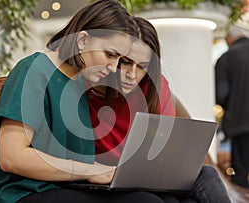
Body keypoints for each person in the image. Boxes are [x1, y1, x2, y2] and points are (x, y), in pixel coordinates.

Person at [0, 0, 168, 202]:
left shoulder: (80, 83)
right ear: (82, 41)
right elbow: (11, 157)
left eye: (119, 59)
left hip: (67, 188)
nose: (113, 67)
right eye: (109, 55)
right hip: (25, 193)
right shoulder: (34, 70)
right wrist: (89, 171)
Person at [85, 16, 231, 203]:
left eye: (142, 67)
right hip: (111, 180)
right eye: (126, 63)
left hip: (153, 176)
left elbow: (166, 150)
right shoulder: (92, 88)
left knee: (206, 174)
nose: (132, 75)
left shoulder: (155, 88)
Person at [215, 25, 249, 189]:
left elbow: (221, 94)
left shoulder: (227, 58)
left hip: (240, 124)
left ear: (229, 39)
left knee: (240, 176)